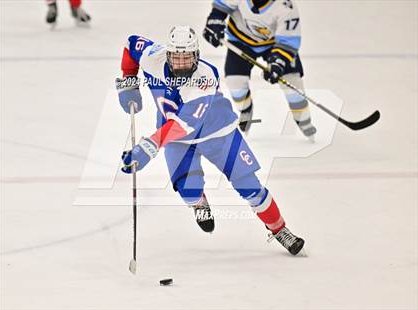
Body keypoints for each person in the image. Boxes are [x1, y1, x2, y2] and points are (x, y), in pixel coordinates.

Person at [116, 26, 305, 255]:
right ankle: (199, 202)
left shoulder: (205, 77)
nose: (182, 64)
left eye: (188, 58)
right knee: (189, 192)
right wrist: (129, 79)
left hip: (218, 135)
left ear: (196, 56)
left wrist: (149, 146)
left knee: (250, 186)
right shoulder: (152, 57)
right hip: (178, 142)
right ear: (167, 55)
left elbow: (185, 125)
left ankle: (279, 229)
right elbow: (131, 43)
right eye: (177, 58)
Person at [203, 0, 316, 139]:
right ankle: (245, 110)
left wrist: (277, 64)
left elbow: (287, 42)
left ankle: (303, 119)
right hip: (240, 40)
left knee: (292, 81)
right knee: (235, 82)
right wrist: (214, 22)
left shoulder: (286, 7)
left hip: (274, 45)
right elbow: (221, 7)